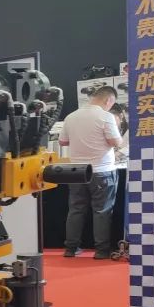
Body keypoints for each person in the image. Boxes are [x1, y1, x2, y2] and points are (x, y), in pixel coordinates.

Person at [60, 86, 123, 259]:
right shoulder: (106, 117)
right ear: (109, 100)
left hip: (76, 171)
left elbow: (63, 142)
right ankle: (101, 250)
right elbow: (116, 142)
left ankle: (70, 248)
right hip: (101, 170)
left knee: (75, 210)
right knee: (102, 211)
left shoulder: (71, 116)